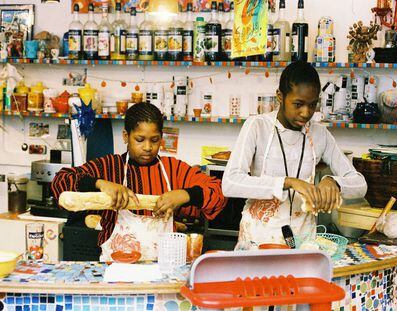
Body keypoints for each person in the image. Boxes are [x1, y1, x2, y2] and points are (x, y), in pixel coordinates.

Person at [52, 103, 226, 260]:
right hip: (116, 267)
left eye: (155, 140)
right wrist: (101, 184)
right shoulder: (110, 167)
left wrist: (186, 194)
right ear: (126, 136)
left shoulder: (174, 169)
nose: (148, 147)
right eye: (140, 140)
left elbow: (219, 191)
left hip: (165, 266)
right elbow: (60, 181)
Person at [222, 61, 367, 249]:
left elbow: (360, 184)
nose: (306, 113)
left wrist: (334, 182)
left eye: (312, 104)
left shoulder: (320, 134)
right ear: (280, 97)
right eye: (298, 104)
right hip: (259, 240)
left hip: (303, 241)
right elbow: (230, 183)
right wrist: (288, 182)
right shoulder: (257, 126)